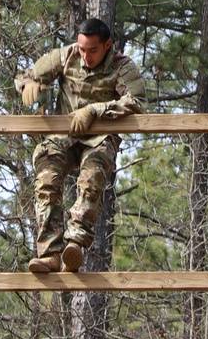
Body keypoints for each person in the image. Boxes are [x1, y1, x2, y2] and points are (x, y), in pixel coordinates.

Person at [16, 17, 147, 273]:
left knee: (91, 180)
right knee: (46, 180)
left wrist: (95, 110)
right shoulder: (67, 56)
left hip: (98, 139)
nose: (86, 56)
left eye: (93, 50)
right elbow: (27, 76)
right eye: (82, 49)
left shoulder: (122, 66)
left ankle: (74, 244)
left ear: (107, 45)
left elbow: (138, 102)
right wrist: (28, 85)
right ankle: (49, 254)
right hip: (63, 137)